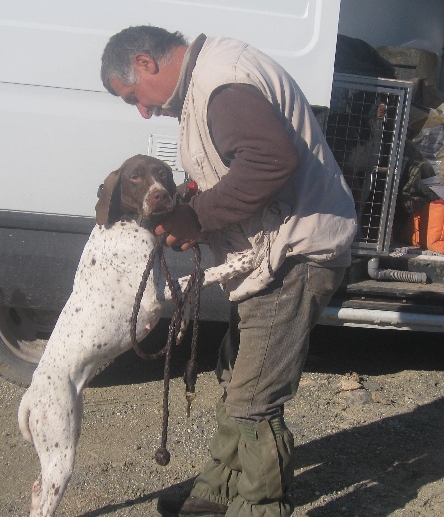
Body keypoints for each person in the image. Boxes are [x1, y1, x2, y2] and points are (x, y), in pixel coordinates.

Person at [100, 26, 357, 517]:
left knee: (255, 396)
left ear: (146, 63)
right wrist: (187, 203)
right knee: (236, 375)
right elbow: (233, 167)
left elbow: (269, 160)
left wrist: (196, 219)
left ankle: (259, 507)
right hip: (271, 254)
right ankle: (217, 491)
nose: (143, 111)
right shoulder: (209, 80)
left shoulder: (222, 83)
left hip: (295, 255)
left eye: (135, 97)